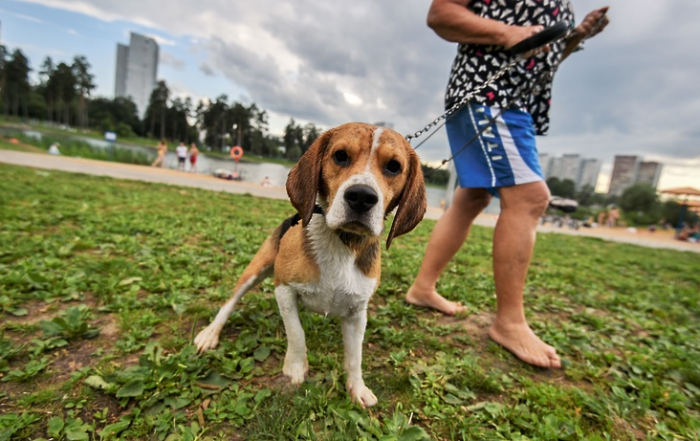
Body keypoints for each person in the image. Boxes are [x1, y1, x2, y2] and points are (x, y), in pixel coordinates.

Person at [405, 0, 609, 369]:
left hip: (513, 102)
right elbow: (441, 12)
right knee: (531, 198)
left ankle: (423, 288)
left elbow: (540, 61)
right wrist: (508, 32)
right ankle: (510, 323)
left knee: (473, 197)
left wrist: (575, 36)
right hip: (491, 98)